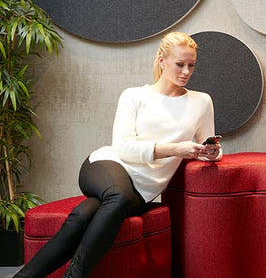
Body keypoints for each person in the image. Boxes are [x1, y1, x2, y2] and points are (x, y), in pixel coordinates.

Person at [15, 31, 222, 278]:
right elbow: (124, 147)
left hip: (142, 189)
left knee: (84, 215)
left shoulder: (202, 101)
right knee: (118, 196)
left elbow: (209, 145)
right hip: (107, 165)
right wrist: (175, 149)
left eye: (191, 65)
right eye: (180, 64)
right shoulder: (134, 95)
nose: (186, 71)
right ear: (162, 61)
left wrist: (211, 153)